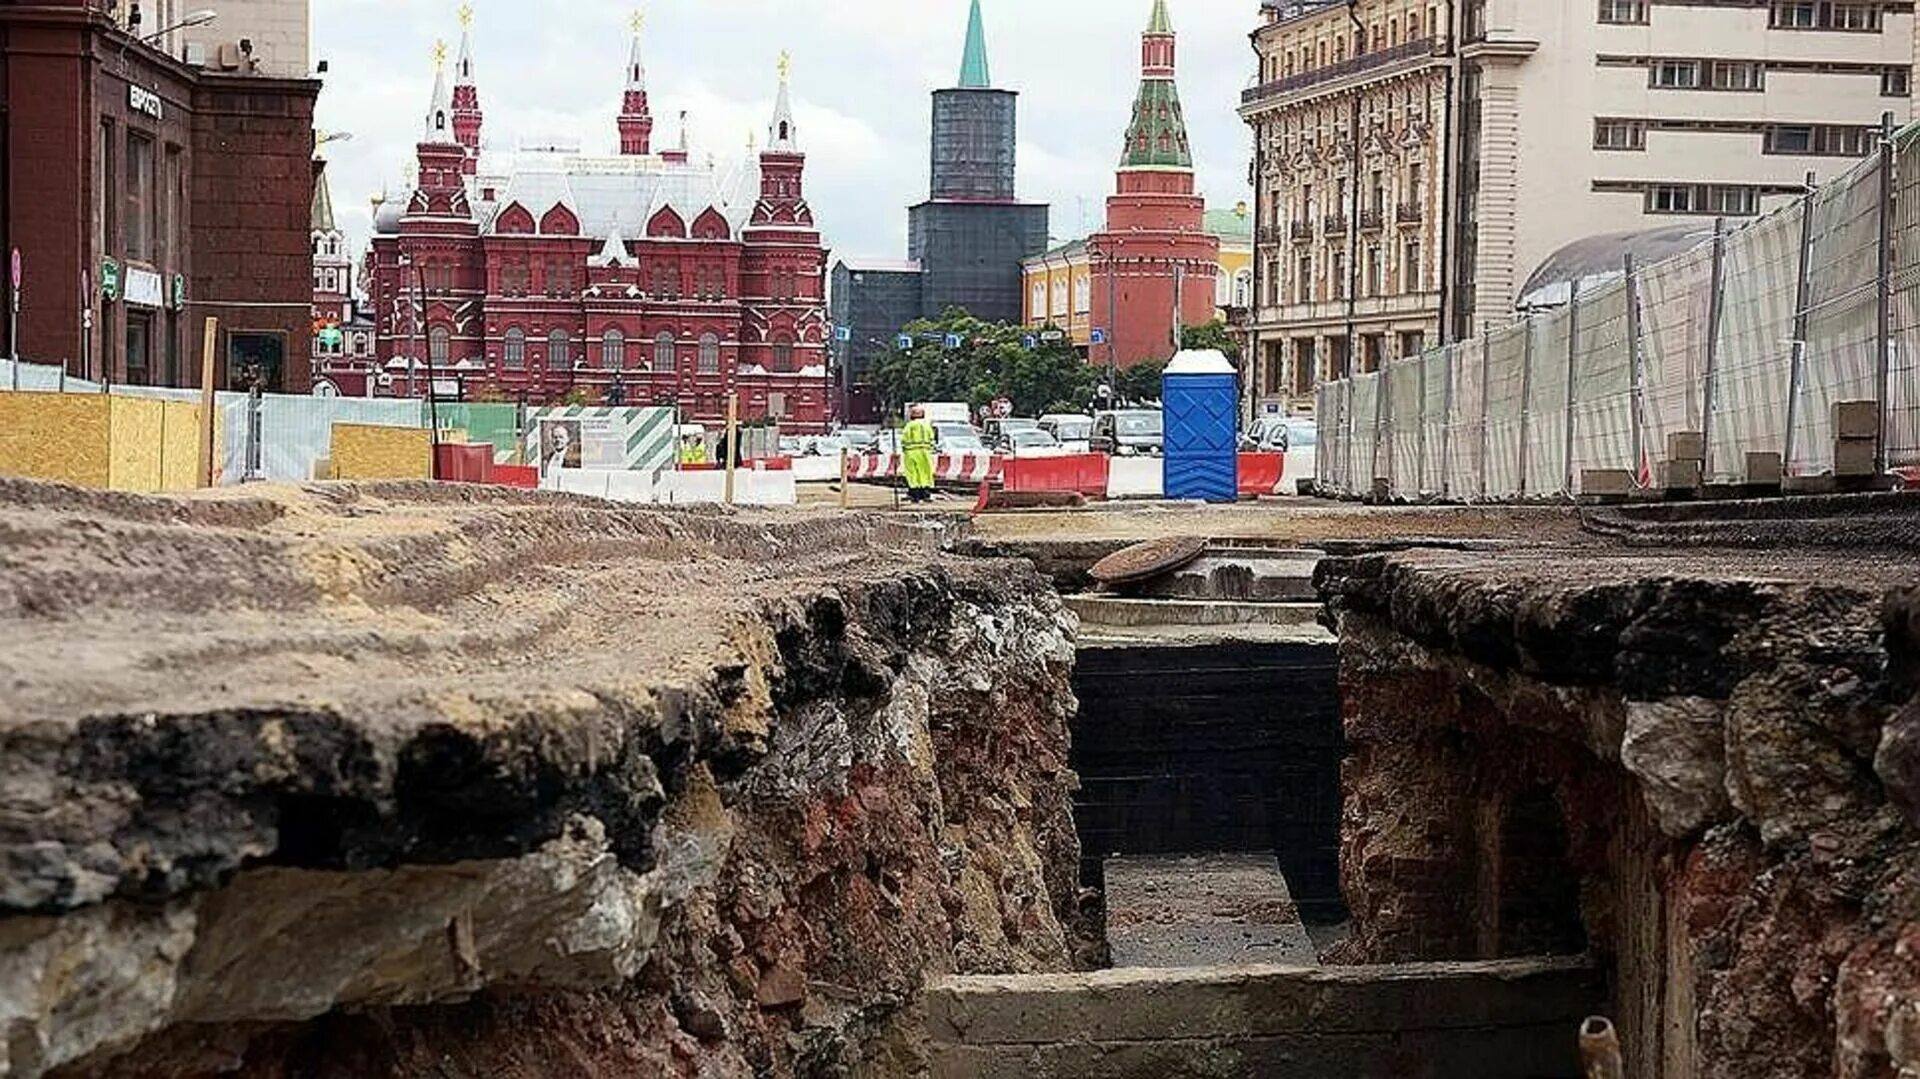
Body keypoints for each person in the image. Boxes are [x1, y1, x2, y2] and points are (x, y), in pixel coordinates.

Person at [901, 406, 937, 503]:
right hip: (925, 452)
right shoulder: (927, 425)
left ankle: (914, 494)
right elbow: (932, 438)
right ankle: (925, 494)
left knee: (912, 473)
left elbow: (904, 438)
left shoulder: (909, 425)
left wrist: (904, 448)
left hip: (911, 452)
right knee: (925, 472)